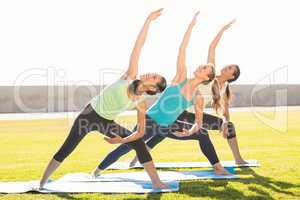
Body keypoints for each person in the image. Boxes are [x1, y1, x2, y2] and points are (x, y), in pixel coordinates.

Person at [39, 8, 168, 189]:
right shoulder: (130, 76)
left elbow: (140, 132)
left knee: (138, 143)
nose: (151, 74)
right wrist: (148, 20)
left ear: (153, 88)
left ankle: (156, 182)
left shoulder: (142, 102)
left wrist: (120, 141)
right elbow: (139, 46)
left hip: (105, 122)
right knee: (67, 148)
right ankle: (42, 183)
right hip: (88, 115)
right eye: (154, 74)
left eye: (155, 78)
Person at [92, 11, 231, 177]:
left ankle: (217, 167)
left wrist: (190, 130)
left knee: (202, 134)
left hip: (168, 126)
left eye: (204, 69)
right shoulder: (181, 77)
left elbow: (198, 122)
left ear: (206, 78)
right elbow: (182, 48)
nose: (200, 67)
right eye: (202, 66)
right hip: (150, 121)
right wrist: (191, 26)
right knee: (127, 146)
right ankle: (97, 170)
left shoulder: (198, 97)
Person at [129, 20, 247, 167]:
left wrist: (224, 121)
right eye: (228, 65)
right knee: (161, 132)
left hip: (195, 114)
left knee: (229, 126)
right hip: (184, 111)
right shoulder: (209, 74)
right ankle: (137, 159)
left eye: (230, 68)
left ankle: (238, 159)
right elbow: (212, 47)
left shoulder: (224, 89)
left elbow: (225, 111)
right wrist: (222, 30)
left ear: (232, 76)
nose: (226, 67)